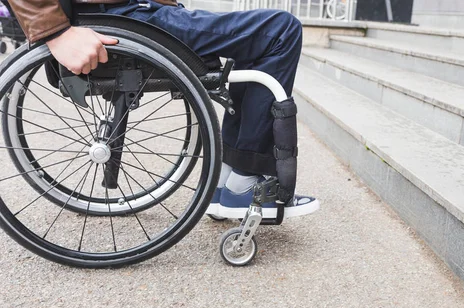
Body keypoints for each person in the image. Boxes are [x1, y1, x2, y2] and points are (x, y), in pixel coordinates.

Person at [6, 0, 319, 218]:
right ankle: (242, 183)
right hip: (128, 16)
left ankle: (230, 181)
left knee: (257, 39)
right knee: (280, 30)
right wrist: (54, 31)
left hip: (136, 10)